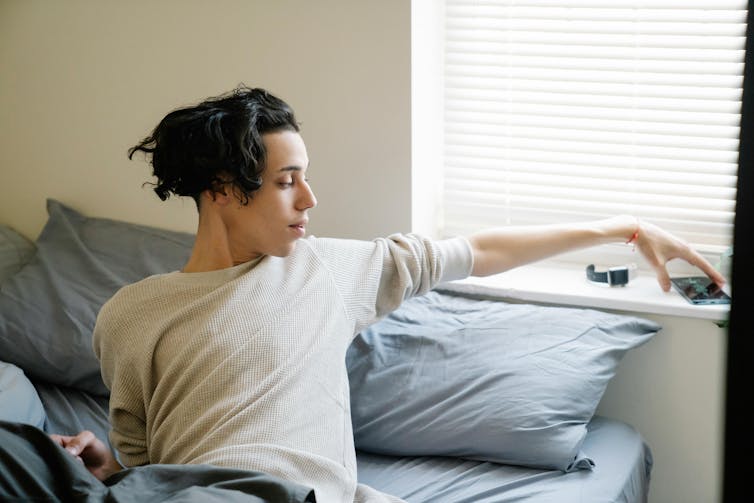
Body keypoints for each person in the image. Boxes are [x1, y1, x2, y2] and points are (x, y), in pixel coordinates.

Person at [34, 86, 725, 502]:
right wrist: (105, 463)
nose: (310, 198)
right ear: (220, 190)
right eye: (285, 181)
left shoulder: (331, 269)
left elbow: (479, 251)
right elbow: (144, 468)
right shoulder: (130, 312)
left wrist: (626, 230)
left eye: (305, 176)